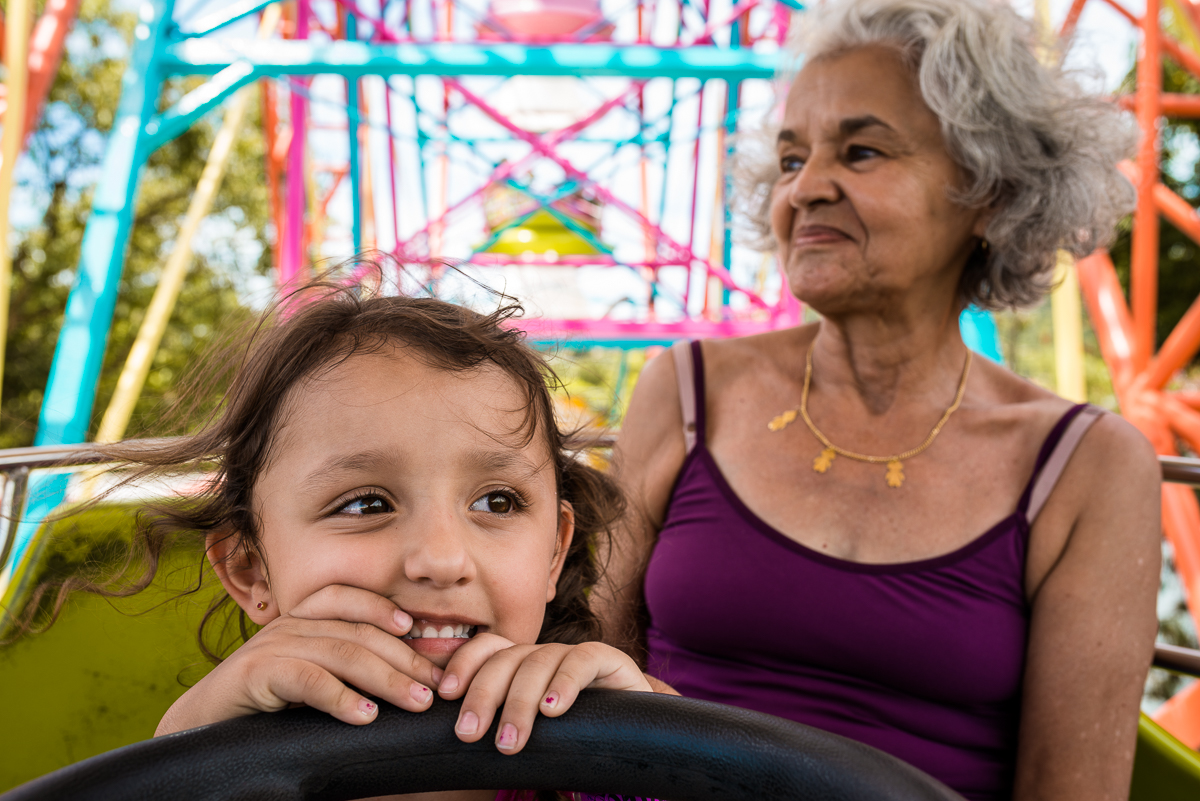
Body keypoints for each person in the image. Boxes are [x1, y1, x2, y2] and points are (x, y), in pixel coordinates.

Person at [597, 1, 1162, 800]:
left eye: (861, 152)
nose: (806, 189)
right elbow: (588, 674)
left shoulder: (1088, 468)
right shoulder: (687, 389)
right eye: (791, 160)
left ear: (991, 192)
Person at [27, 280, 669, 801]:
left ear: (554, 551)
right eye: (366, 504)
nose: (443, 560)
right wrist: (187, 757)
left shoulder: (609, 759)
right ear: (251, 571)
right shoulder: (214, 759)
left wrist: (652, 749)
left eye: (496, 502)